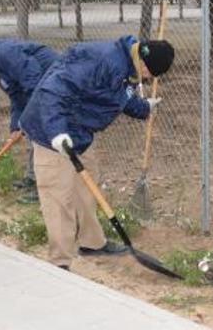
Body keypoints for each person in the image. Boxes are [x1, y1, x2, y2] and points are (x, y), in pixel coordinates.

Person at [20, 35, 175, 270]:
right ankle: (60, 262)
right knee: (59, 196)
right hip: (51, 131)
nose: (148, 79)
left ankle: (92, 243)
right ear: (144, 64)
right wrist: (57, 132)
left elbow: (118, 96)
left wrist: (144, 108)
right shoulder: (102, 60)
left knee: (87, 187)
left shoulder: (124, 65)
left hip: (79, 132)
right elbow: (54, 90)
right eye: (150, 75)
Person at [0, 37, 58, 203]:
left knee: (43, 138)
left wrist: (31, 112)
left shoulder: (5, 53)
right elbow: (16, 96)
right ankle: (32, 178)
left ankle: (45, 188)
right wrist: (16, 126)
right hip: (39, 91)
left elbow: (32, 78)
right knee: (33, 134)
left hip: (53, 86)